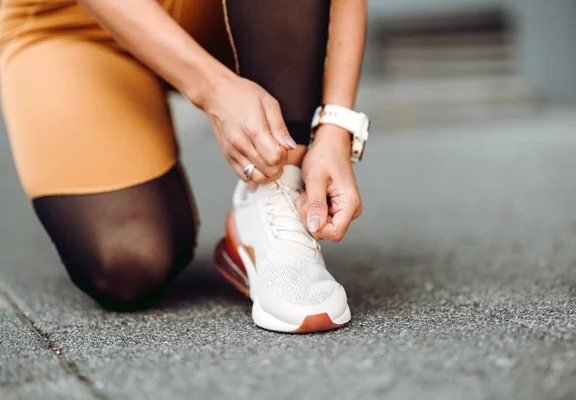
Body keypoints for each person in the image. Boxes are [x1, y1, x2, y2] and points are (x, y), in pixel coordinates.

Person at [0, 0, 370, 333]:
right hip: (67, 23)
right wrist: (212, 88)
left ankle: (275, 191)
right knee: (129, 258)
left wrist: (335, 126)